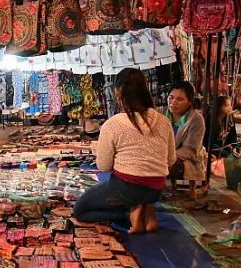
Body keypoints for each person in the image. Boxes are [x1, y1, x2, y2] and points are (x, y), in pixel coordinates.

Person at [73, 68, 175, 233]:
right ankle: (145, 207)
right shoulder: (163, 121)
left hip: (126, 189)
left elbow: (103, 166)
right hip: (156, 188)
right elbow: (171, 160)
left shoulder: (114, 124)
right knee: (134, 190)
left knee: (81, 210)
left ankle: (129, 214)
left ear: (118, 92)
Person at [166, 81, 207, 199]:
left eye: (180, 99)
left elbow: (190, 149)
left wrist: (166, 156)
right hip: (166, 154)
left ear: (189, 102)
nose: (173, 102)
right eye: (171, 97)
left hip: (188, 158)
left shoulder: (196, 119)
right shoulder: (163, 115)